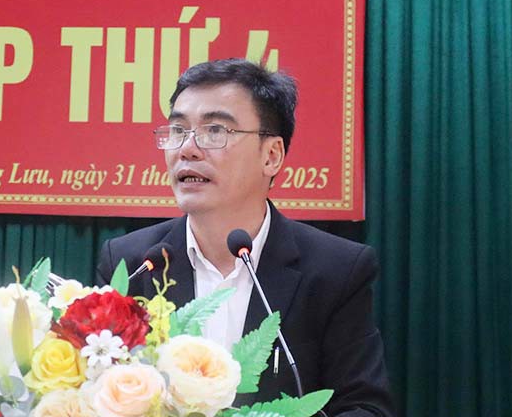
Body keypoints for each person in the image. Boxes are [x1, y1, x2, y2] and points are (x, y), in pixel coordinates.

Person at [96, 58, 394, 416]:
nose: (187, 149)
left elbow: (364, 407)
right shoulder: (133, 265)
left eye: (215, 131)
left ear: (271, 156)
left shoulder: (335, 271)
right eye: (177, 130)